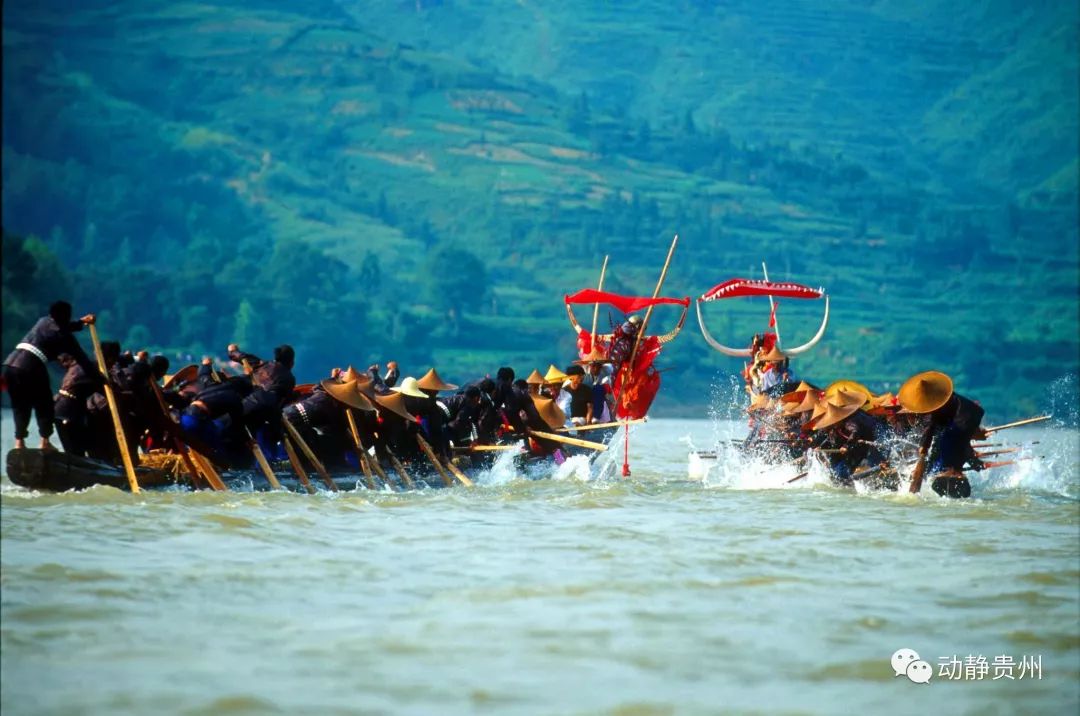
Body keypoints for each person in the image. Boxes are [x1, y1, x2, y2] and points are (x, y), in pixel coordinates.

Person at [3, 301, 102, 450]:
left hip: (10, 365)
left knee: (20, 405)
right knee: (45, 404)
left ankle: (19, 442)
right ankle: (45, 442)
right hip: (31, 366)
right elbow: (83, 360)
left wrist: (81, 322)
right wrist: (101, 379)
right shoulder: (65, 337)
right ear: (67, 316)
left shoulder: (43, 321)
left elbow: (64, 326)